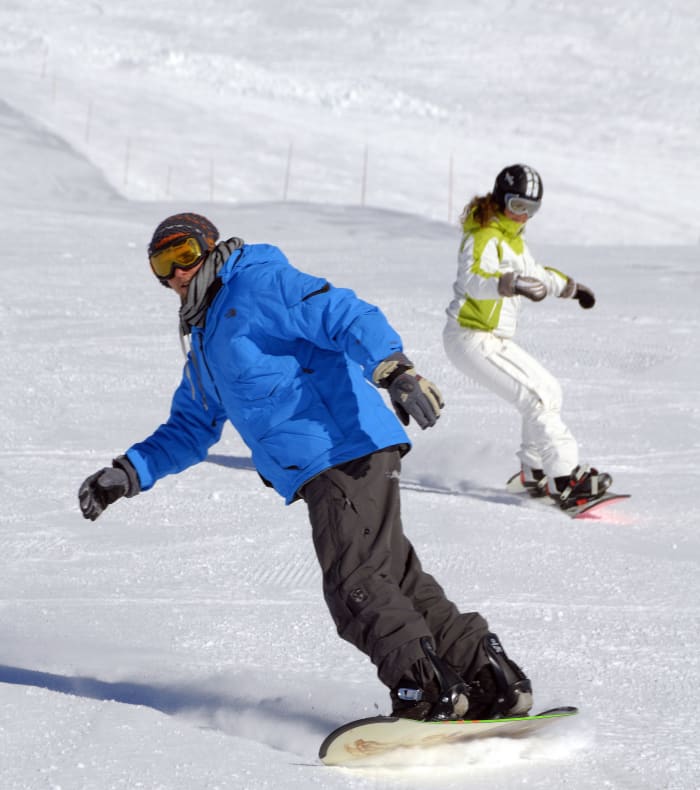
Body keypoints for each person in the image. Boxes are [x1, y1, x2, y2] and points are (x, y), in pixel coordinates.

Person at [78, 212, 532, 721]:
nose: (177, 275)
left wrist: (394, 370)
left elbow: (345, 313)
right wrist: (129, 472)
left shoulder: (256, 283)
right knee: (394, 580)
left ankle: (423, 692)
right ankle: (491, 679)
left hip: (341, 452)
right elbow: (190, 428)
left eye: (184, 256)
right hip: (335, 462)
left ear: (210, 248)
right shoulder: (205, 345)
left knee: (355, 584)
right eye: (162, 265)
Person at [443, 164, 612, 509]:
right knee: (535, 400)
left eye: (531, 210)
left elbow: (535, 274)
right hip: (471, 335)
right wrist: (508, 284)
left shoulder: (512, 242)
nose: (523, 216)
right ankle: (566, 479)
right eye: (518, 206)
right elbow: (474, 277)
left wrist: (571, 288)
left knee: (549, 391)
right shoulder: (484, 235)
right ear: (502, 200)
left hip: (493, 339)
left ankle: (532, 474)